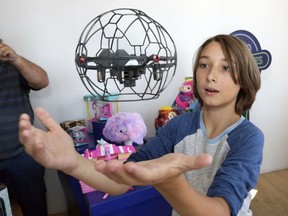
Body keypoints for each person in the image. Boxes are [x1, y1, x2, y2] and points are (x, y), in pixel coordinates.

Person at [18, 34, 263, 216]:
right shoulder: (179, 127)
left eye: (226, 67)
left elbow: (220, 211)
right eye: (204, 64)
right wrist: (73, 162)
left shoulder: (248, 138)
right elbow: (120, 181)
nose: (210, 75)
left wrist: (169, 182)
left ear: (244, 78)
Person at [0, 38, 49, 216]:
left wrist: (16, 59)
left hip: (23, 154)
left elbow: (42, 81)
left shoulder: (14, 66)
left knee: (34, 206)